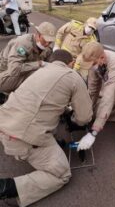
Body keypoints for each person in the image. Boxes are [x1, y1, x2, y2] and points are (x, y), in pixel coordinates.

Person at [0, 49, 93, 206]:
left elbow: (40, 100)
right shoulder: (73, 77)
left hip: (4, 123)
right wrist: (73, 117)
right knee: (62, 174)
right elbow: (84, 118)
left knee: (48, 118)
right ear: (70, 63)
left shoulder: (39, 71)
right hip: (23, 138)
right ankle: (7, 188)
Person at [0, 22, 57, 95]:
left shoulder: (47, 49)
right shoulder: (23, 44)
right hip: (4, 74)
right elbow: (14, 70)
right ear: (38, 34)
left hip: (18, 74)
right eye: (45, 40)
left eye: (50, 42)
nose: (47, 44)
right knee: (36, 76)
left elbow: (49, 65)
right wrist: (38, 64)